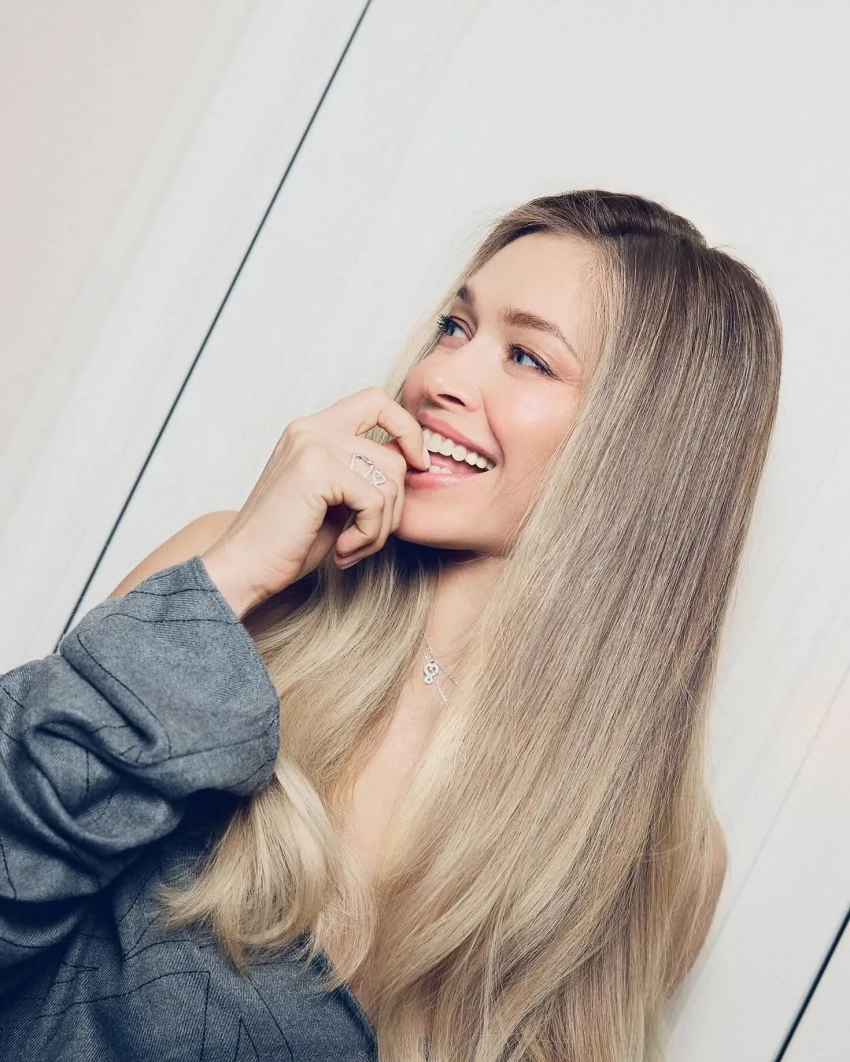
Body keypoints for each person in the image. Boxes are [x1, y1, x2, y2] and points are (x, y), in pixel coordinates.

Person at [0, 189, 781, 1061]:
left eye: (526, 356)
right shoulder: (231, 591)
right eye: (455, 327)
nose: (438, 377)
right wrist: (238, 569)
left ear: (644, 449)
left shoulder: (664, 860)